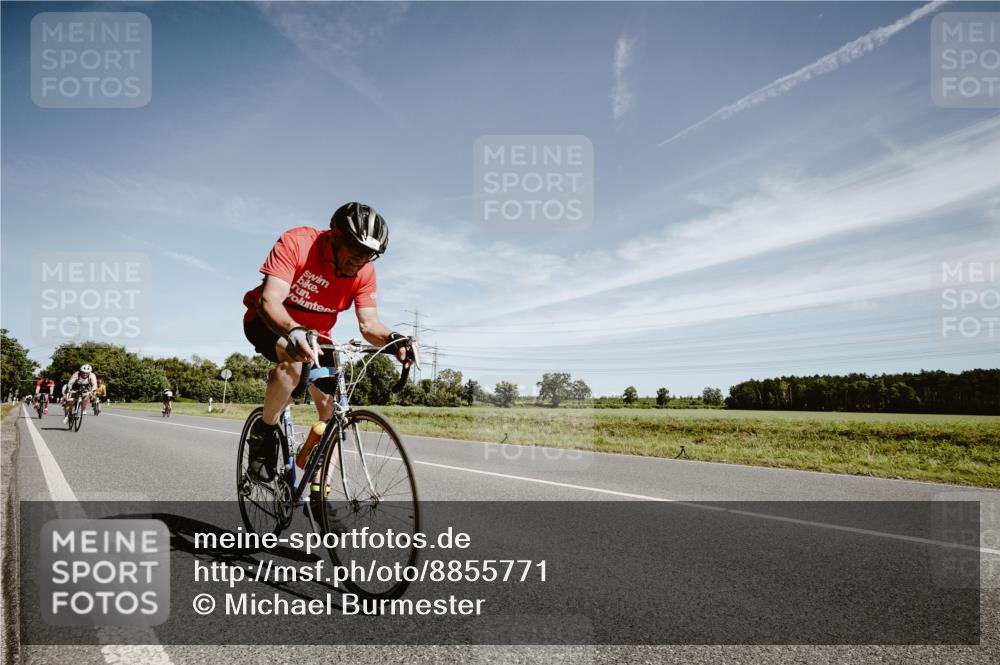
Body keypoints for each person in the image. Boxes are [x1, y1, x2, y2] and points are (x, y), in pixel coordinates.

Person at [241, 202, 413, 483]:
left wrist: (394, 339)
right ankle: (265, 431)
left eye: (369, 255)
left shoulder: (364, 272)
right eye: (356, 251)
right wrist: (294, 330)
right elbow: (269, 300)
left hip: (318, 336)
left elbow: (369, 325)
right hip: (268, 320)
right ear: (335, 238)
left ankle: (322, 488)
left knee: (333, 410)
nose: (360, 261)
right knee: (294, 358)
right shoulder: (298, 243)